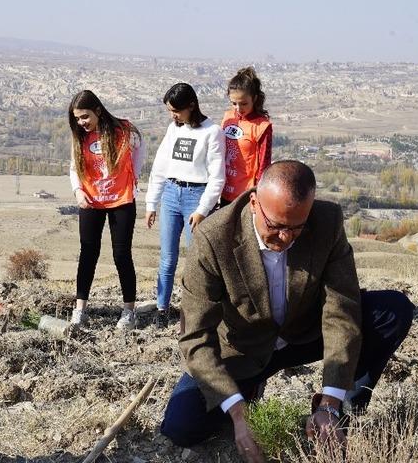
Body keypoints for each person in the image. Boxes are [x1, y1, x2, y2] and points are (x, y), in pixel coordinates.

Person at [159, 161, 414, 462]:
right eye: (276, 226)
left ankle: (341, 414)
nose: (286, 238)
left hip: (303, 335)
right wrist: (238, 413)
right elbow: (196, 336)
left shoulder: (327, 221)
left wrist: (329, 403)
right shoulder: (213, 238)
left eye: (296, 228)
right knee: (181, 427)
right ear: (254, 202)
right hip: (242, 350)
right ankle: (248, 391)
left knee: (392, 310)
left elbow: (341, 308)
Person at [145, 83, 225, 329]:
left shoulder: (212, 131)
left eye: (176, 111)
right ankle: (162, 308)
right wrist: (152, 202)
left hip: (196, 196)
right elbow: (160, 166)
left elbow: (217, 176)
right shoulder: (174, 129)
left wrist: (202, 210)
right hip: (171, 193)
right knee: (167, 258)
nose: (173, 116)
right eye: (170, 111)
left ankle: (195, 312)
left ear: (191, 105)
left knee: (196, 261)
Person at [68, 90, 145, 330]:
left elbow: (141, 149)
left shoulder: (124, 130)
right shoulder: (80, 136)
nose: (82, 122)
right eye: (78, 118)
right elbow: (73, 167)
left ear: (98, 111)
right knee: (88, 253)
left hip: (121, 200)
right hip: (91, 200)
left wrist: (134, 175)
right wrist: (78, 191)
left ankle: (129, 311)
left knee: (121, 255)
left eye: (85, 116)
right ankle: (80, 309)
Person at [220, 67, 273, 206]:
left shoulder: (262, 126)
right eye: (234, 103)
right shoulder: (228, 117)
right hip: (222, 189)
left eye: (243, 103)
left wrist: (259, 192)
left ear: (254, 98)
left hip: (245, 195)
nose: (238, 108)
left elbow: (264, 163)